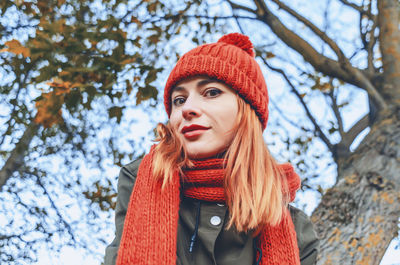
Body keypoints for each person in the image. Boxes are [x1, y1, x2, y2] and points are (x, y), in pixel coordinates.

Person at [104, 33, 319, 265]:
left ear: (248, 111)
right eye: (179, 100)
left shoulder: (297, 230)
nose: (188, 109)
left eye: (212, 92)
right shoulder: (139, 180)